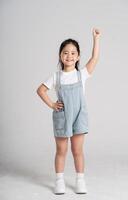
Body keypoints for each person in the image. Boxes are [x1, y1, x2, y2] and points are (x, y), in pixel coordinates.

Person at [36, 28, 101, 194]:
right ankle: (59, 181)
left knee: (77, 150)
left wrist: (96, 39)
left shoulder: (82, 75)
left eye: (73, 53)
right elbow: (41, 90)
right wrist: (52, 104)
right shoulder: (56, 76)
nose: (69, 56)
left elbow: (94, 58)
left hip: (79, 116)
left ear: (78, 56)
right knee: (61, 150)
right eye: (66, 53)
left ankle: (80, 180)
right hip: (63, 117)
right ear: (60, 56)